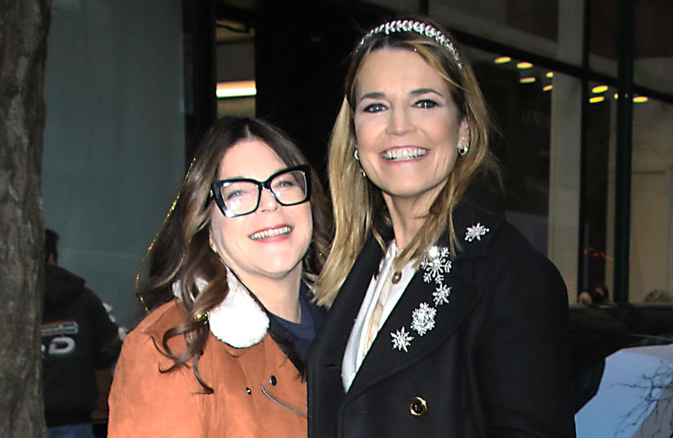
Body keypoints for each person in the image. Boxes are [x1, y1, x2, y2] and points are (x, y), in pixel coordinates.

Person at [307, 18, 575, 437]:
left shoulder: (511, 275)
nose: (399, 126)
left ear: (464, 127)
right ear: (355, 138)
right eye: (375, 106)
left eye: (425, 103)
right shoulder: (354, 269)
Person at [107, 117, 331, 437]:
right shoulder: (170, 348)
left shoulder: (357, 324)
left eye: (283, 183)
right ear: (206, 225)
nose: (269, 204)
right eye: (238, 193)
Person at [43, 229, 122, 437]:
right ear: (52, 257)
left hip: (18, 420)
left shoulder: (4, 306)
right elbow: (107, 353)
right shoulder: (85, 301)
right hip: (74, 421)